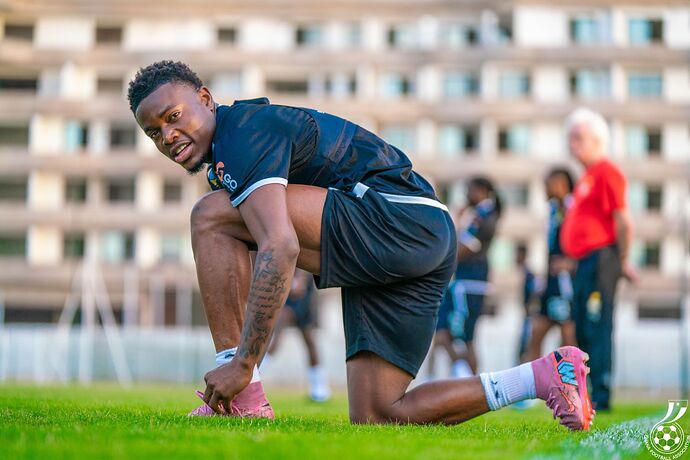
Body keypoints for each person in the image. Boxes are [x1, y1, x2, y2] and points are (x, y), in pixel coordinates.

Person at [127, 60, 593, 430]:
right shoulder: (227, 158)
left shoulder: (243, 132)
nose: (167, 136)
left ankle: (244, 399)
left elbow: (281, 246)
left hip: (400, 219)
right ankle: (543, 376)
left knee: (210, 215)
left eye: (173, 117)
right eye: (154, 132)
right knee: (378, 413)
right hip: (418, 240)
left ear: (205, 98)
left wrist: (243, 364)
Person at [561, 108, 637, 412]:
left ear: (597, 140)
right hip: (585, 262)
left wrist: (622, 260)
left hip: (602, 260)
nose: (573, 144)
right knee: (581, 325)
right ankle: (588, 392)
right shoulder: (587, 177)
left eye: (579, 138)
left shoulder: (607, 172)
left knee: (597, 325)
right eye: (571, 138)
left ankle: (602, 394)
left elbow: (623, 221)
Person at [434, 177, 501, 378]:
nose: (466, 195)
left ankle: (468, 380)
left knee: (463, 337)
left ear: (481, 191)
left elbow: (462, 249)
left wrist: (438, 260)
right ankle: (465, 377)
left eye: (469, 190)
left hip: (470, 284)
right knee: (448, 334)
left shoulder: (483, 216)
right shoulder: (478, 214)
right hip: (465, 283)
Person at [524, 168, 578, 362]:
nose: (545, 189)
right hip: (551, 283)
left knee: (567, 337)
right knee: (536, 332)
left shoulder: (576, 209)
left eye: (548, 184)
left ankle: (572, 379)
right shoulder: (554, 210)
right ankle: (533, 379)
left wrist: (572, 264)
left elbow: (588, 244)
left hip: (567, 285)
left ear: (560, 184)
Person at [262, 268, 331, 402]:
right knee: (276, 339)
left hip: (304, 298)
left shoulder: (305, 275)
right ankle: (254, 375)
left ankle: (319, 388)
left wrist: (300, 279)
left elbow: (303, 270)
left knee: (310, 341)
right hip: (287, 292)